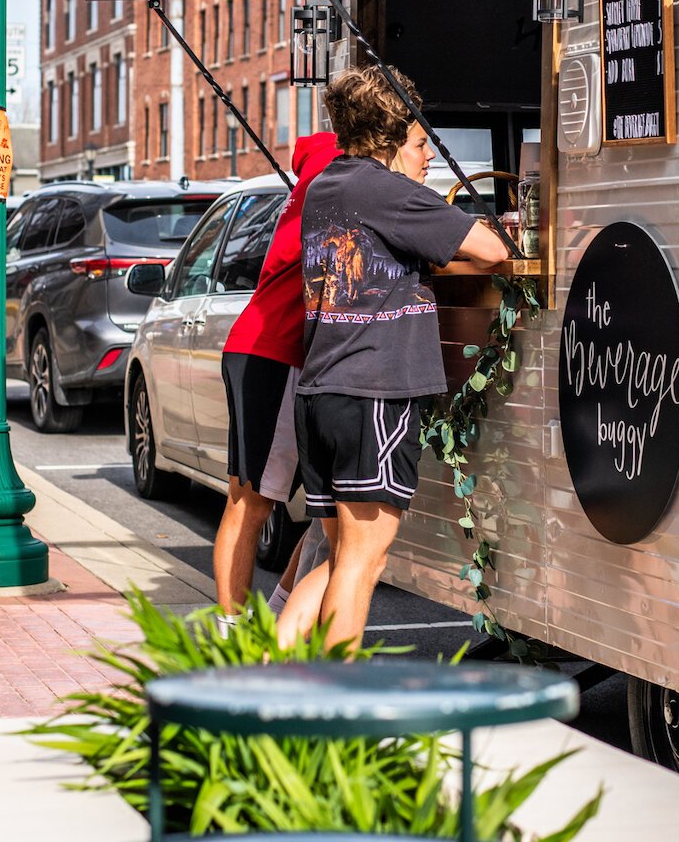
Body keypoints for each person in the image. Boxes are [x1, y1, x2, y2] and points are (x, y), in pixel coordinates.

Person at [283, 66, 507, 652]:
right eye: (417, 136)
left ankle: (261, 677)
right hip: (374, 393)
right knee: (363, 563)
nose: (429, 151)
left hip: (323, 391)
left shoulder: (327, 186)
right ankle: (334, 717)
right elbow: (492, 250)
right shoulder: (389, 192)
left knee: (340, 559)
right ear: (388, 133)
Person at [211, 131, 342, 634]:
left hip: (263, 351)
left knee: (325, 508)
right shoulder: (326, 187)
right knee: (251, 504)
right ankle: (231, 634)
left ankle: (281, 614)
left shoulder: (310, 188)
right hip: (273, 353)